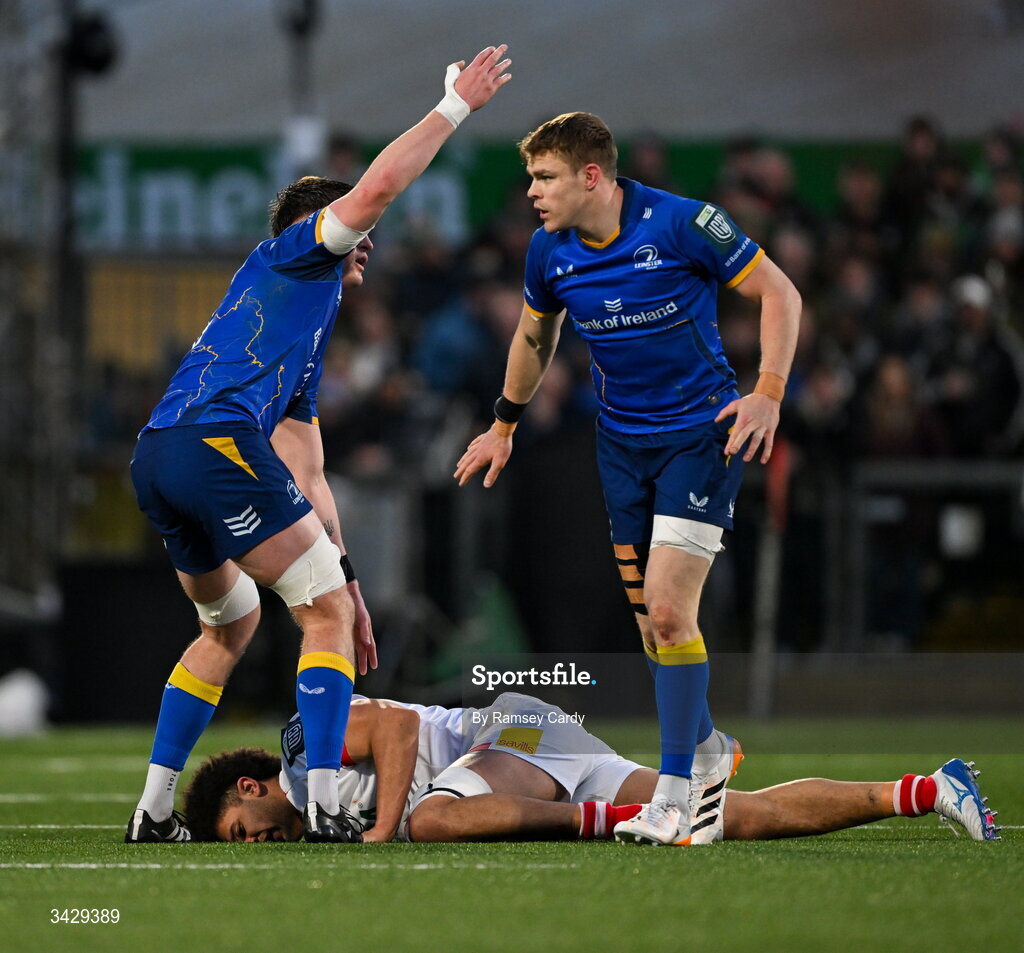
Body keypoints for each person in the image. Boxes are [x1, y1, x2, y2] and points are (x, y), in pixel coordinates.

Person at [124, 45, 513, 844]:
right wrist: (456, 108)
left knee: (229, 627)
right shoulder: (300, 253)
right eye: (357, 226)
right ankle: (332, 798)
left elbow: (305, 466)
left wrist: (348, 577)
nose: (370, 234)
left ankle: (154, 811)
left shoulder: (304, 323)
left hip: (161, 454)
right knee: (320, 617)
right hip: (208, 445)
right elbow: (375, 188)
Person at [453, 112, 802, 845]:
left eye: (544, 178)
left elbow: (780, 293)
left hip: (702, 438)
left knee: (672, 612)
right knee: (653, 625)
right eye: (529, 179)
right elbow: (533, 334)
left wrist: (767, 391)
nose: (532, 193)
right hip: (620, 449)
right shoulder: (548, 252)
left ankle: (678, 796)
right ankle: (705, 746)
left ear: (591, 176)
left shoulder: (684, 224)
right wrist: (505, 423)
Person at [182, 692, 1001, 845]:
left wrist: (387, 828)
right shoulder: (309, 823)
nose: (251, 844)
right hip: (525, 757)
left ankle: (616, 824)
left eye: (238, 831)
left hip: (510, 732)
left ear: (252, 788)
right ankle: (927, 788)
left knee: (429, 818)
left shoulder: (301, 749)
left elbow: (395, 726)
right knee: (735, 815)